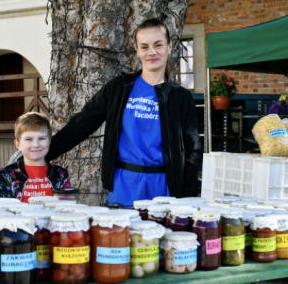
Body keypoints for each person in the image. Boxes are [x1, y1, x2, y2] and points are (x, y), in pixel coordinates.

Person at [46, 18, 201, 204]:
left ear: (169, 47)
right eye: (144, 47)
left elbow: (193, 150)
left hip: (163, 186)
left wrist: (189, 198)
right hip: (124, 184)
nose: (151, 52)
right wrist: (45, 153)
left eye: (158, 45)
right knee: (121, 233)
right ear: (137, 50)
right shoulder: (120, 88)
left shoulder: (180, 97)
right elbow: (83, 123)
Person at [0, 112, 72, 201]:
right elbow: (0, 210)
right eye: (28, 139)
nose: (36, 145)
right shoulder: (6, 174)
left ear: (49, 141)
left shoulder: (61, 174)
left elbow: (66, 208)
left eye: (42, 138)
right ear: (18, 144)